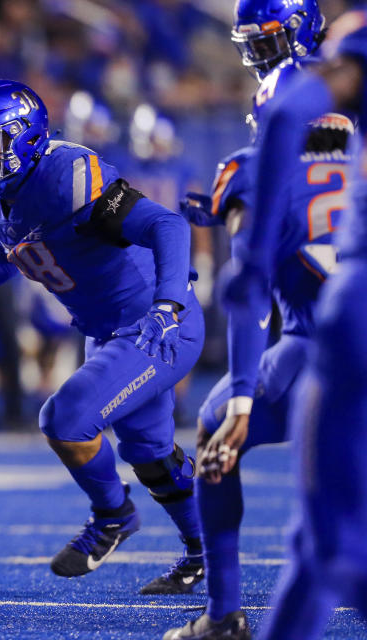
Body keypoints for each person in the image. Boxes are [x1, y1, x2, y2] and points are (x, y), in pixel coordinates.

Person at [0, 79, 205, 593]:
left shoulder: (66, 176)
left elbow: (168, 227)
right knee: (148, 452)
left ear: (26, 138)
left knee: (65, 419)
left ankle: (113, 516)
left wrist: (168, 303)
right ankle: (204, 553)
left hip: (154, 326)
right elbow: (14, 246)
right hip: (106, 329)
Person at [163, 1, 333, 638]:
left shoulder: (249, 166)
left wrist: (239, 401)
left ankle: (223, 614)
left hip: (326, 341)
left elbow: (248, 294)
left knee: (215, 431)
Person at [222, 8, 367, 639]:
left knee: (325, 542)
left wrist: (251, 260)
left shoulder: (310, 81)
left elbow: (285, 116)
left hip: (349, 311)